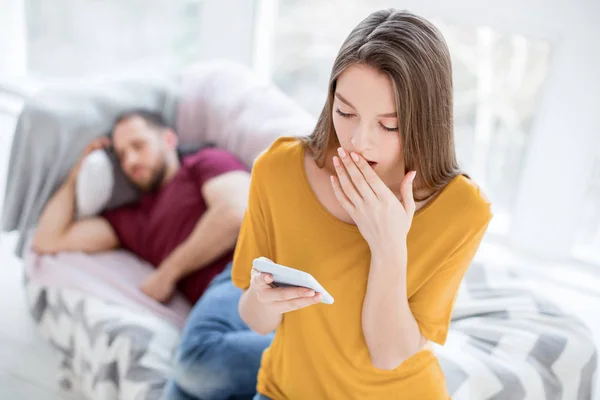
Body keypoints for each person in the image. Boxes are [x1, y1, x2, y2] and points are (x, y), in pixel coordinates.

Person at [232, 9, 493, 400]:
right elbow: (254, 320)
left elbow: (388, 354)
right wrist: (264, 298)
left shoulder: (462, 210)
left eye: (389, 125)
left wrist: (388, 247)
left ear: (426, 121)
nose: (357, 140)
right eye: (345, 112)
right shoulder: (279, 169)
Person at [32, 110, 272, 400]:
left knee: (196, 363)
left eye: (138, 146)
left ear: (168, 139)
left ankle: (318, 356)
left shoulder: (205, 162)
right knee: (175, 393)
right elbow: (48, 239)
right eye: (121, 155)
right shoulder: (128, 220)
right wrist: (76, 172)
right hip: (224, 308)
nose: (130, 161)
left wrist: (167, 273)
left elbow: (235, 215)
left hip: (247, 270)